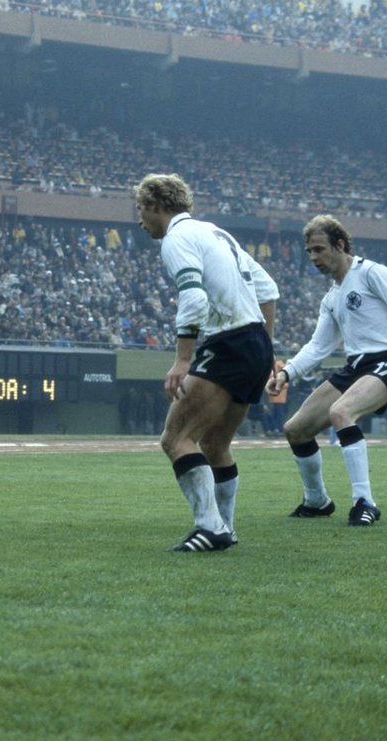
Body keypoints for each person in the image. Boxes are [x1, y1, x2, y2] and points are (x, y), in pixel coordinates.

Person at [135, 173, 278, 552]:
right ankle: (225, 529)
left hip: (228, 341)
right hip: (254, 343)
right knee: (215, 444)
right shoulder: (216, 233)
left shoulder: (176, 239)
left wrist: (182, 360)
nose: (139, 220)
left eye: (140, 209)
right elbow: (267, 288)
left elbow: (194, 299)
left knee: (176, 438)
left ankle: (209, 526)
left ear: (155, 204)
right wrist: (263, 343)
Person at [266, 214, 387, 527]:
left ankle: (365, 502)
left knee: (341, 413)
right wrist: (287, 373)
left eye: (319, 249)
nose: (313, 257)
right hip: (356, 365)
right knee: (295, 429)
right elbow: (318, 346)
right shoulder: (332, 297)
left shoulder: (371, 273)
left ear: (340, 245)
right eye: (309, 251)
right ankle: (317, 501)